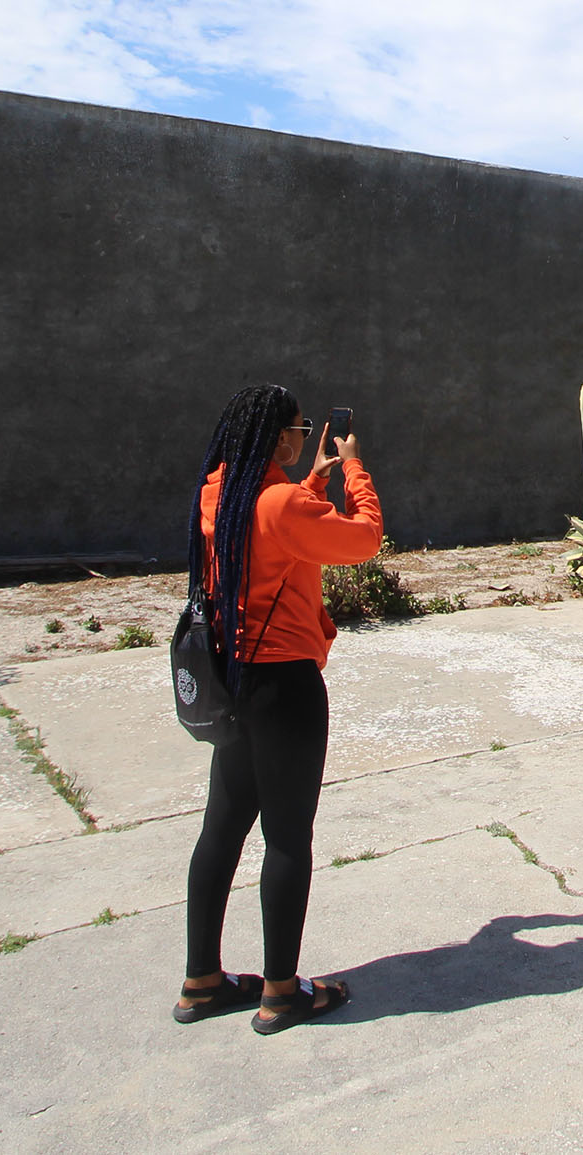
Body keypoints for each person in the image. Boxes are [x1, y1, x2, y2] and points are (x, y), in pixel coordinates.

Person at [173, 383, 381, 1033]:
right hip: (286, 688)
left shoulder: (219, 494)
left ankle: (201, 981)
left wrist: (311, 483)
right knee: (287, 837)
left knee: (222, 828)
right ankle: (281, 992)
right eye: (301, 425)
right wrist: (351, 466)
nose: (305, 433)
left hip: (234, 683)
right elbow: (363, 538)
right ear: (279, 436)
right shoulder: (280, 503)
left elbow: (273, 537)